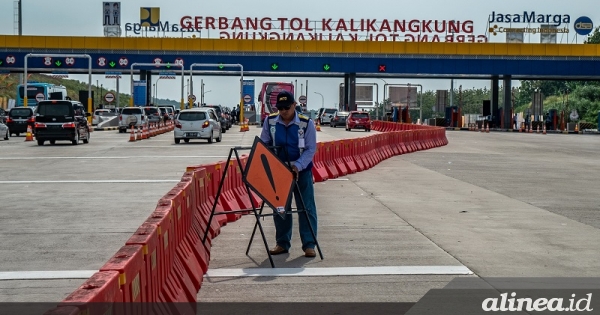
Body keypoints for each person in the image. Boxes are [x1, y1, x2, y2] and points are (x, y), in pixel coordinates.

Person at [259, 90, 318, 258]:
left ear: (294, 105)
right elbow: (264, 144)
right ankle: (282, 243)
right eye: (280, 108)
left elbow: (310, 149)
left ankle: (309, 244)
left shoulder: (306, 124)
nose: (283, 111)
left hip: (302, 171)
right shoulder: (270, 121)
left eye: (287, 107)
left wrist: (297, 166)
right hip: (279, 171)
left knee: (306, 208)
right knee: (280, 208)